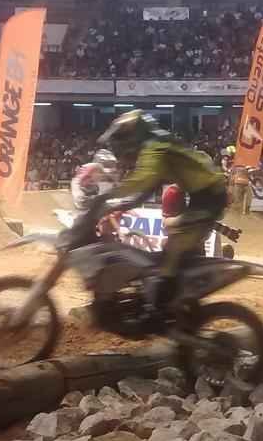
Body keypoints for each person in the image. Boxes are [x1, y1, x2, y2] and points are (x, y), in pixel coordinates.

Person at [94, 110, 228, 321]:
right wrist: (121, 204)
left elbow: (142, 181)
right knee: (172, 250)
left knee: (173, 250)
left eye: (123, 142)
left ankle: (162, 306)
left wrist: (108, 198)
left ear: (134, 136)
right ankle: (178, 302)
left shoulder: (154, 148)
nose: (123, 152)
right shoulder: (158, 144)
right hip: (202, 195)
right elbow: (147, 188)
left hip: (209, 196)